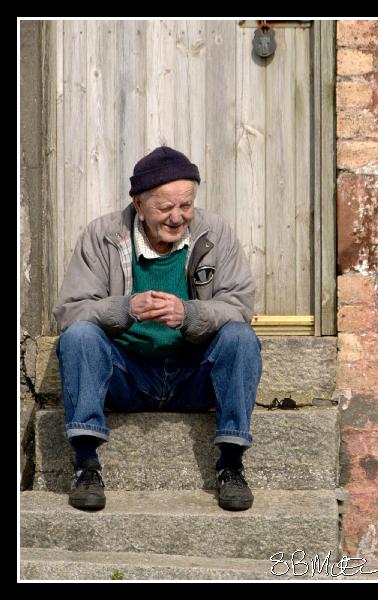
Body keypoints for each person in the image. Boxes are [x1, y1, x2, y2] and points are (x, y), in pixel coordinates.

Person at [53, 146, 262, 513]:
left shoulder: (215, 234)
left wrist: (189, 314)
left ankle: (231, 464)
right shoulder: (102, 235)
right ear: (138, 204)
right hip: (126, 376)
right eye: (165, 208)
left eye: (186, 205)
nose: (178, 217)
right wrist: (124, 308)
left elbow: (238, 306)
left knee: (240, 337)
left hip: (193, 374)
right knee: (80, 337)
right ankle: (86, 464)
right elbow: (71, 312)